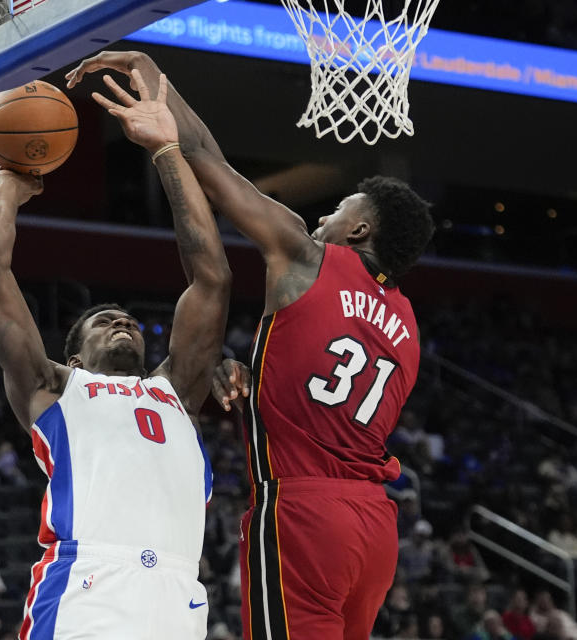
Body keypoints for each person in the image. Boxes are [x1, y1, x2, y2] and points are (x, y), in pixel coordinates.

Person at [68, 51, 434, 640]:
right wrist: (244, 369)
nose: (322, 218)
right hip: (376, 527)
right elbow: (317, 381)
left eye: (338, 210)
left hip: (304, 512)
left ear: (360, 231)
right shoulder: (409, 326)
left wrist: (149, 72)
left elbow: (209, 160)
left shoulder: (307, 254)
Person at [0, 70, 229, 639]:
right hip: (89, 584)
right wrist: (12, 184)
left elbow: (211, 279)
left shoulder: (177, 392)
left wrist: (166, 153)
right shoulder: (56, 388)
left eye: (130, 321)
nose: (122, 323)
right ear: (75, 356)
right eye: (103, 321)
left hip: (180, 598)